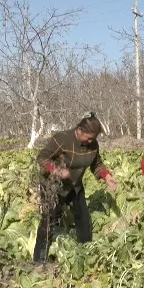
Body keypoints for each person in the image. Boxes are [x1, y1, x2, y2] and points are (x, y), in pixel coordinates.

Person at [32, 112, 117, 264]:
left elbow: (96, 164)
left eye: (94, 138)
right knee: (49, 219)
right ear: (79, 130)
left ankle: (86, 252)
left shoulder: (93, 144)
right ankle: (39, 259)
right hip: (53, 186)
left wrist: (107, 176)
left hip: (74, 185)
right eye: (89, 137)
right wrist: (57, 170)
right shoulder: (63, 138)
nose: (91, 141)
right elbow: (42, 157)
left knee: (83, 218)